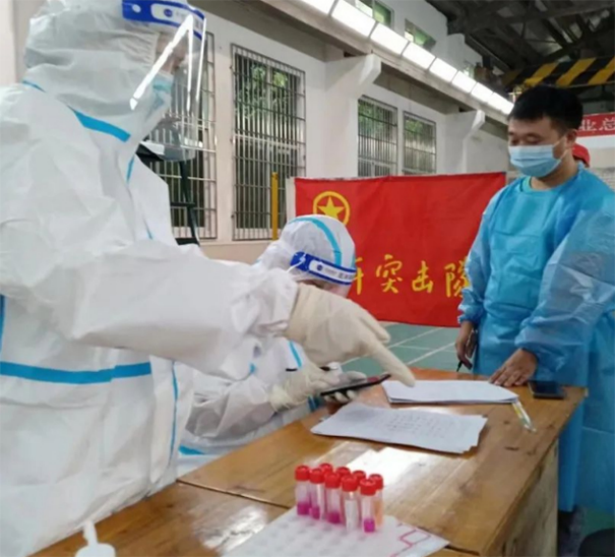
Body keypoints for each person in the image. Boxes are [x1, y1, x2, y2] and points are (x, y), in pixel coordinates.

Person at [0, 1, 414, 554]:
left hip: (134, 490)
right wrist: (285, 304)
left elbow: (160, 308)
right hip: (41, 494)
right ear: (99, 37)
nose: (169, 82)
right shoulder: (21, 130)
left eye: (177, 65)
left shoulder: (138, 180)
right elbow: (94, 279)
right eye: (161, 59)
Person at [455, 85, 614, 555]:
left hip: (564, 349)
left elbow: (575, 287)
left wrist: (536, 349)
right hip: (498, 342)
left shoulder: (595, 205)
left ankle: (558, 542)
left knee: (559, 459)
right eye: (514, 139)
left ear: (568, 138)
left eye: (533, 140)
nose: (521, 149)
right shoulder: (506, 199)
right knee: (498, 448)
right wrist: (470, 316)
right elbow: (482, 261)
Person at [179, 216, 366, 474]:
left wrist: (331, 390)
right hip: (219, 466)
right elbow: (202, 415)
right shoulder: (227, 311)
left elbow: (311, 374)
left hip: (287, 452)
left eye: (332, 290)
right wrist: (278, 395)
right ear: (283, 266)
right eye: (316, 285)